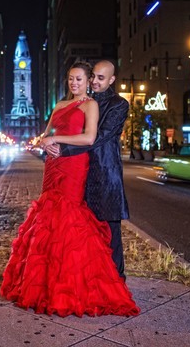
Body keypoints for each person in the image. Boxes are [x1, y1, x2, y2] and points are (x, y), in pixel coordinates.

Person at [0, 61, 140, 318]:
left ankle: (105, 284)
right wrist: (45, 141)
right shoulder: (63, 104)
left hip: (89, 170)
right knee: (49, 221)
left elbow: (92, 137)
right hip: (56, 165)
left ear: (99, 80)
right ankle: (48, 283)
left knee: (90, 227)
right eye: (71, 79)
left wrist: (57, 142)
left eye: (84, 79)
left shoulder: (100, 104)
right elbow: (46, 132)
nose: (77, 83)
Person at [46, 59, 130, 280]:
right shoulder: (85, 100)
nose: (95, 81)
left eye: (101, 78)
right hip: (80, 172)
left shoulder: (118, 104)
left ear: (112, 80)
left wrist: (62, 148)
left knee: (110, 231)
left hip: (104, 174)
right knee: (84, 230)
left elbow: (97, 138)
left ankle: (116, 280)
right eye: (93, 76)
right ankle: (90, 277)